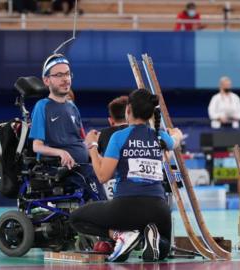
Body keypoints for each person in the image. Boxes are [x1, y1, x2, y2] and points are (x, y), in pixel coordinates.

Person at [70, 89, 183, 262]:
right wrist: (176, 134)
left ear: (128, 110)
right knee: (164, 247)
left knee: (76, 219)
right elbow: (175, 140)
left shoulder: (119, 137)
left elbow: (102, 176)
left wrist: (91, 146)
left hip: (125, 208)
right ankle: (149, 238)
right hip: (159, 209)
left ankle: (122, 235)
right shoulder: (159, 136)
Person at [29, 53, 106, 201]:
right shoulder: (42, 106)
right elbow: (37, 147)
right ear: (46, 80)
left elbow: (80, 141)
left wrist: (98, 155)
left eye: (67, 74)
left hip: (82, 165)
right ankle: (108, 221)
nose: (65, 78)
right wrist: (61, 152)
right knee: (95, 187)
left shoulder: (72, 107)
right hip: (61, 168)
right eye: (58, 75)